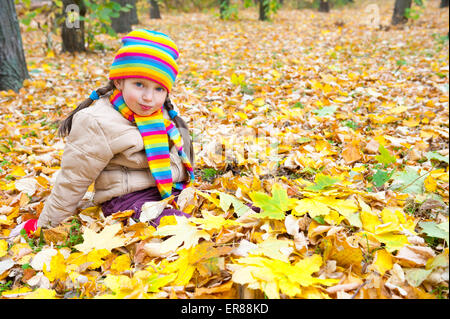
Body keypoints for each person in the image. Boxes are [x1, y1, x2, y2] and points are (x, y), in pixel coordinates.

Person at [33, 29, 195, 230]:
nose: (148, 97)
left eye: (158, 88)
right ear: (119, 81)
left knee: (232, 212)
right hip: (127, 200)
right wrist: (47, 227)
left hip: (168, 191)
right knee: (179, 226)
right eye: (139, 84)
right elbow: (73, 180)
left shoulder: (160, 113)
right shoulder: (98, 122)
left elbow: (174, 158)